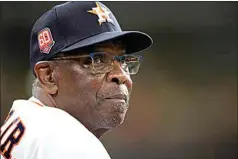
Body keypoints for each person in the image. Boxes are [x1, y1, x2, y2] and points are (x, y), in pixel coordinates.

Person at [0, 1, 153, 159]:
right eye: (98, 60)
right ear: (48, 77)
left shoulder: (26, 122)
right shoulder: (69, 142)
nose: (120, 75)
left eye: (122, 61)